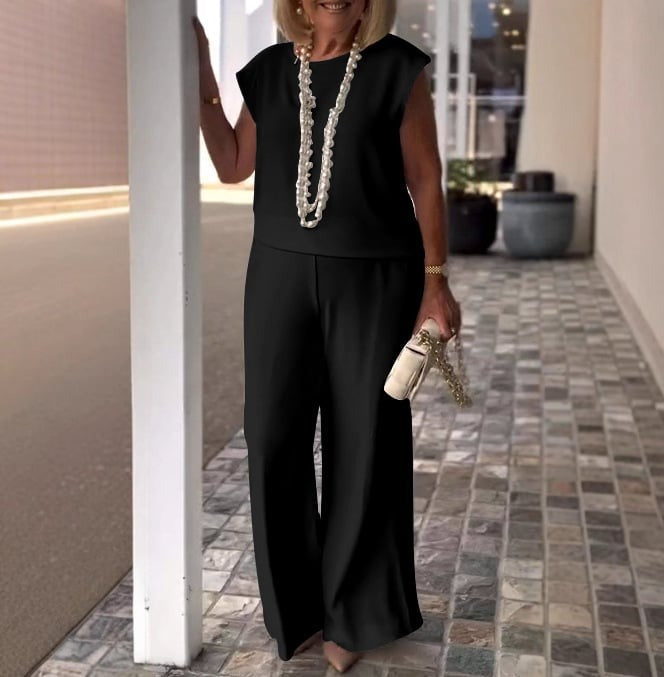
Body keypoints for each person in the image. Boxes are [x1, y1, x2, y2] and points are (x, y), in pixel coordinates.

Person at [193, 0, 461, 672]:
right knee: (271, 435)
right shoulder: (269, 72)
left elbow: (425, 178)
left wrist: (435, 282)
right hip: (278, 279)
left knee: (365, 440)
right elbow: (233, 163)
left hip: (376, 279)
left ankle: (353, 616)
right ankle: (299, 611)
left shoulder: (398, 69)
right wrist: (200, 81)